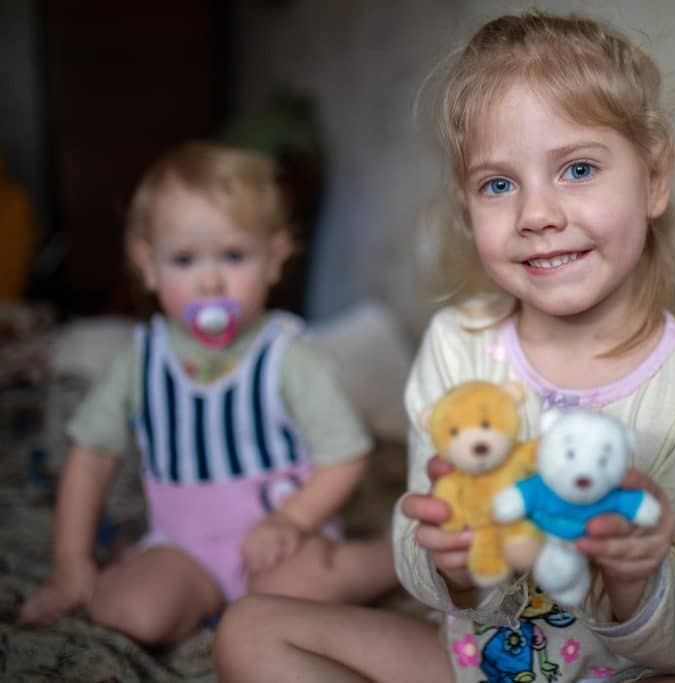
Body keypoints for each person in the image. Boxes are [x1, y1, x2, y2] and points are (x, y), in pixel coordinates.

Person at [214, 10, 675, 682]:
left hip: (626, 672)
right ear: (468, 207)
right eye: (499, 184)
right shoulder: (459, 344)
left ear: (653, 178)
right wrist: (447, 559)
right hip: (472, 665)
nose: (536, 214)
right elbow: (422, 548)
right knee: (250, 627)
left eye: (578, 168)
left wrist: (641, 576)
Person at [16, 142, 396, 646]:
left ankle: (392, 557)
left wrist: (291, 521)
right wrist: (73, 563)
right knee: (129, 614)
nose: (211, 281)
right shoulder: (141, 359)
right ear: (148, 266)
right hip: (183, 547)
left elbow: (345, 455)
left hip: (282, 542)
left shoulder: (288, 355)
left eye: (234, 256)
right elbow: (90, 459)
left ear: (274, 260)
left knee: (299, 588)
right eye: (185, 259)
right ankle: (186, 590)